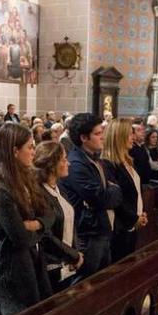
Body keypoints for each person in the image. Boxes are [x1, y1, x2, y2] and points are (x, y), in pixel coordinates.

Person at [0, 124, 54, 315]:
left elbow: (50, 213)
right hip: (9, 270)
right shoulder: (0, 189)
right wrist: (36, 227)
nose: (34, 151)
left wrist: (36, 224)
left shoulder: (27, 178)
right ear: (15, 151)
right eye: (30, 147)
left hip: (31, 262)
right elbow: (20, 238)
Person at [60, 113, 122, 282]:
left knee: (101, 282)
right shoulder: (76, 164)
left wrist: (112, 192)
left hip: (101, 229)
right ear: (83, 137)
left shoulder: (96, 160)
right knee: (86, 284)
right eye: (97, 134)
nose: (102, 137)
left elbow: (116, 191)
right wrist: (111, 192)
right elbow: (99, 199)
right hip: (88, 234)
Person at [34, 141, 83, 292]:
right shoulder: (39, 193)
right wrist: (73, 255)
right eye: (63, 160)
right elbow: (46, 236)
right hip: (51, 267)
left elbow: (70, 221)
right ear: (51, 164)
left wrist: (77, 253)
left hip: (68, 262)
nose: (68, 163)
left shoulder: (60, 187)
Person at [101, 120, 147, 262]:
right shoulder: (108, 163)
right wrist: (133, 218)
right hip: (120, 227)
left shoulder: (127, 160)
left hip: (131, 225)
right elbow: (117, 199)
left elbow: (134, 192)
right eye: (129, 134)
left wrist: (140, 213)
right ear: (118, 137)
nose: (132, 137)